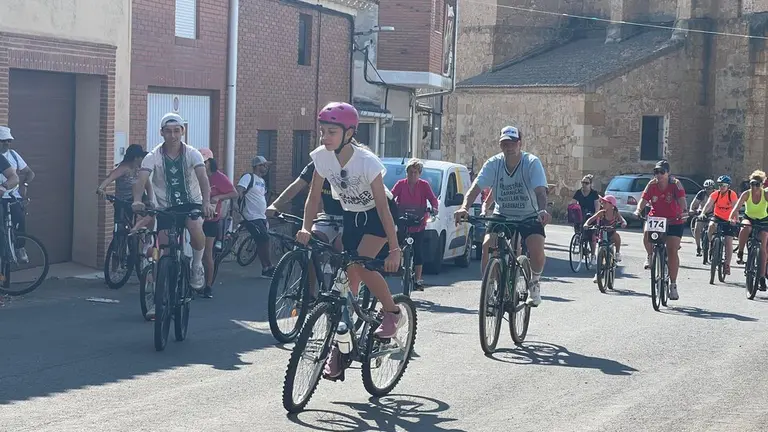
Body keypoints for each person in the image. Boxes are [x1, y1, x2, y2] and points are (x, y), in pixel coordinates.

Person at [297, 102, 401, 380]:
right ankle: (340, 349)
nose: (325, 137)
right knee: (345, 288)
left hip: (378, 218)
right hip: (352, 218)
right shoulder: (322, 157)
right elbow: (312, 197)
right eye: (323, 131)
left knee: (362, 267)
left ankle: (392, 312)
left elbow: (382, 208)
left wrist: (394, 249)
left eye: (331, 132)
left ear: (349, 133)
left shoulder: (366, 162)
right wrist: (306, 228)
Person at [454, 125, 551, 307]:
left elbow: (540, 191)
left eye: (512, 143)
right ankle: (490, 288)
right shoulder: (494, 164)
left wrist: (543, 210)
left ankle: (535, 282)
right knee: (487, 245)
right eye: (505, 143)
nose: (509, 147)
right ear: (500, 145)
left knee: (536, 249)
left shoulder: (531, 162)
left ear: (520, 144)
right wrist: (464, 207)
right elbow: (475, 188)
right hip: (503, 214)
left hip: (529, 214)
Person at [131, 113, 214, 292]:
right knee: (164, 250)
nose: (173, 135)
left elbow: (202, 177)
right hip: (166, 206)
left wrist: (206, 202)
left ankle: (197, 265)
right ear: (161, 133)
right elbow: (141, 179)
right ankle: (159, 294)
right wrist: (137, 200)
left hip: (191, 202)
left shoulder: (193, 154)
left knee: (194, 227)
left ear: (183, 131)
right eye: (168, 131)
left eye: (177, 131)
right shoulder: (153, 156)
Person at [634, 160, 686, 300]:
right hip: (656, 219)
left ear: (668, 173)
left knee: (672, 250)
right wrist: (638, 210)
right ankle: (650, 256)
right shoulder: (651, 185)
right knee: (646, 232)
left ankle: (673, 285)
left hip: (673, 220)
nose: (658, 175)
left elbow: (682, 200)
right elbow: (643, 199)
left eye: (661, 172)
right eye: (656, 172)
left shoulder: (675, 184)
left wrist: (683, 211)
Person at [391, 158, 439, 290]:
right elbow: (391, 197)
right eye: (411, 172)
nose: (413, 175)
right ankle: (400, 266)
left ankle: (418, 279)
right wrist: (389, 206)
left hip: (418, 222)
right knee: (397, 244)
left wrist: (434, 208)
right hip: (403, 221)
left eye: (416, 172)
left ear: (419, 174)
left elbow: (433, 199)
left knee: (418, 251)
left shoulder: (424, 185)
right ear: (406, 173)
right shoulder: (400, 184)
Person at [199, 148, 238, 298]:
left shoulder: (218, 177)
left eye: (204, 162)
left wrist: (219, 197)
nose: (201, 165)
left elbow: (234, 193)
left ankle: (208, 285)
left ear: (209, 162)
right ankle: (191, 280)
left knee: (207, 253)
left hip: (211, 219)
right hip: (195, 218)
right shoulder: (195, 175)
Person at [0, 126, 35, 263]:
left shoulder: (13, 155)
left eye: (9, 141)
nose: (7, 144)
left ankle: (20, 248)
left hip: (12, 195)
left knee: (19, 219)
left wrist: (24, 185)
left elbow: (29, 173)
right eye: (3, 141)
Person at [237, 156, 275, 278]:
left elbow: (261, 198)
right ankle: (268, 266)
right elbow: (239, 191)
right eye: (264, 165)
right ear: (257, 166)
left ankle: (266, 268)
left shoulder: (262, 182)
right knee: (265, 239)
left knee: (261, 241)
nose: (266, 168)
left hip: (261, 216)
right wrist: (239, 209)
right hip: (251, 216)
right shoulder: (248, 177)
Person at [731, 170, 768, 290]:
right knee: (745, 228)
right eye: (752, 184)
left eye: (757, 184)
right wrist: (731, 218)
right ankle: (740, 252)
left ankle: (761, 277)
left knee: (763, 249)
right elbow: (736, 207)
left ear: (762, 185)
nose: (754, 187)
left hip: (763, 220)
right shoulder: (746, 194)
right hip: (749, 218)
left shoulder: (766, 194)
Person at [698, 175, 737, 274]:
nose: (721, 187)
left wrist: (735, 220)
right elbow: (708, 204)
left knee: (728, 241)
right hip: (717, 216)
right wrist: (703, 213)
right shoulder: (715, 194)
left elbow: (735, 208)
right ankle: (712, 244)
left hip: (729, 218)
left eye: (724, 185)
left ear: (728, 186)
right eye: (719, 185)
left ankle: (727, 264)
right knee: (711, 226)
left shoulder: (732, 195)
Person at [583, 195, 627, 283]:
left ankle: (617, 253)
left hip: (611, 233)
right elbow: (592, 219)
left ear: (612, 205)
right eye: (603, 202)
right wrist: (586, 224)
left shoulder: (615, 212)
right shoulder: (601, 213)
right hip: (602, 233)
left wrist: (623, 223)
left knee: (617, 237)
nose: (603, 204)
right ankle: (598, 273)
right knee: (600, 252)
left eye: (605, 202)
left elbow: (622, 219)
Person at [571, 174, 600, 264]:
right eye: (583, 182)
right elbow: (573, 203)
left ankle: (593, 255)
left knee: (592, 237)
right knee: (578, 225)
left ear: (590, 184)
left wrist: (595, 216)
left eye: (586, 183)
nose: (584, 184)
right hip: (581, 214)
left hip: (591, 215)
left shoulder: (594, 194)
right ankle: (578, 238)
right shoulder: (578, 192)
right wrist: (572, 210)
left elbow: (597, 207)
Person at [689, 179, 715, 257]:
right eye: (706, 188)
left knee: (714, 228)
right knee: (697, 229)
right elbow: (694, 204)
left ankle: (713, 245)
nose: (708, 190)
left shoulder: (717, 194)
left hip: (713, 214)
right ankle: (698, 247)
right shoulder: (701, 194)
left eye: (710, 188)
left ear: (713, 188)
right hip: (701, 213)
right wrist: (692, 210)